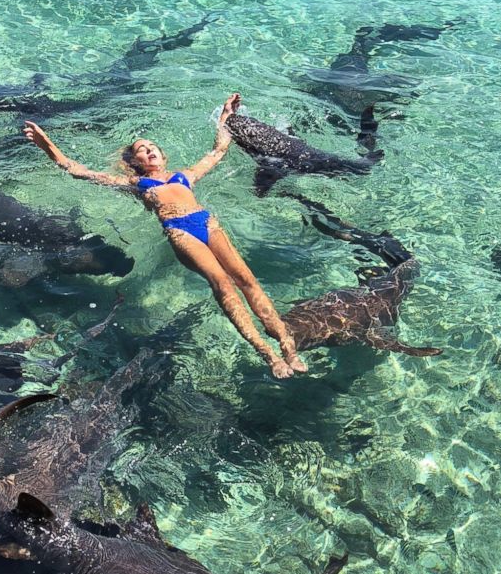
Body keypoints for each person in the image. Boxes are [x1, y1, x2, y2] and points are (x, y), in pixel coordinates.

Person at [22, 93, 307, 379]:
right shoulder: (135, 183)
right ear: (136, 161)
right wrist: (47, 145)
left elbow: (218, 151)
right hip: (180, 231)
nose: (149, 151)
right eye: (141, 150)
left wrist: (226, 116)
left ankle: (288, 347)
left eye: (152, 147)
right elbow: (79, 171)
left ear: (163, 154)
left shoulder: (186, 175)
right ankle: (267, 353)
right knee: (222, 284)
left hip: (206, 222)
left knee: (246, 279)